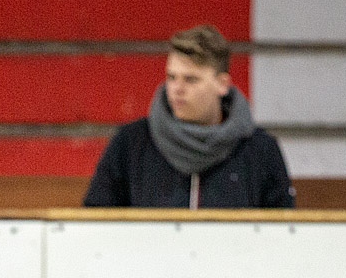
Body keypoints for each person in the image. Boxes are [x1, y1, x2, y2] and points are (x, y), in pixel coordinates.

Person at [83, 24, 294, 210]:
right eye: (171, 77)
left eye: (191, 79)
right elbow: (95, 222)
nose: (177, 89)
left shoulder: (260, 150)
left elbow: (283, 233)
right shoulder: (131, 142)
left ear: (222, 84)